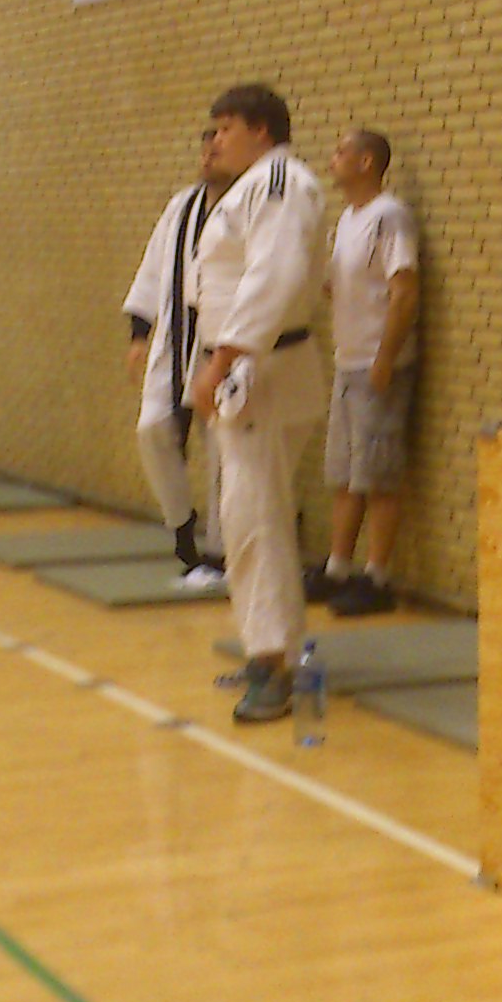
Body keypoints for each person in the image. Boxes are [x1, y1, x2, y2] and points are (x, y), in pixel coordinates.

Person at [186, 85, 326, 722]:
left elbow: (277, 276)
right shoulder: (254, 188)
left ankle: (272, 662)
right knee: (255, 514)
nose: (215, 140)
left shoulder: (278, 182)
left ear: (262, 130)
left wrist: (221, 362)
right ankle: (272, 648)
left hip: (260, 370)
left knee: (251, 520)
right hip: (259, 367)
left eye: (225, 127)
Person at [305, 128, 419, 615]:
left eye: (340, 152)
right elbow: (337, 287)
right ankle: (338, 568)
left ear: (366, 162)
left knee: (379, 472)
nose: (332, 159)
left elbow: (404, 291)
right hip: (347, 361)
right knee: (346, 473)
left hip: (378, 364)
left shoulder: (390, 216)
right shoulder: (346, 221)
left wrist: (386, 358)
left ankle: (378, 578)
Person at [125, 125, 228, 580]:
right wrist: (139, 333)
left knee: (224, 450)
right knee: (152, 430)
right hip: (175, 339)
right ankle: (182, 526)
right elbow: (151, 270)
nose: (207, 157)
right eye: (203, 151)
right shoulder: (181, 206)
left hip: (221, 344)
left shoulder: (245, 207)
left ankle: (222, 549)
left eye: (215, 151)